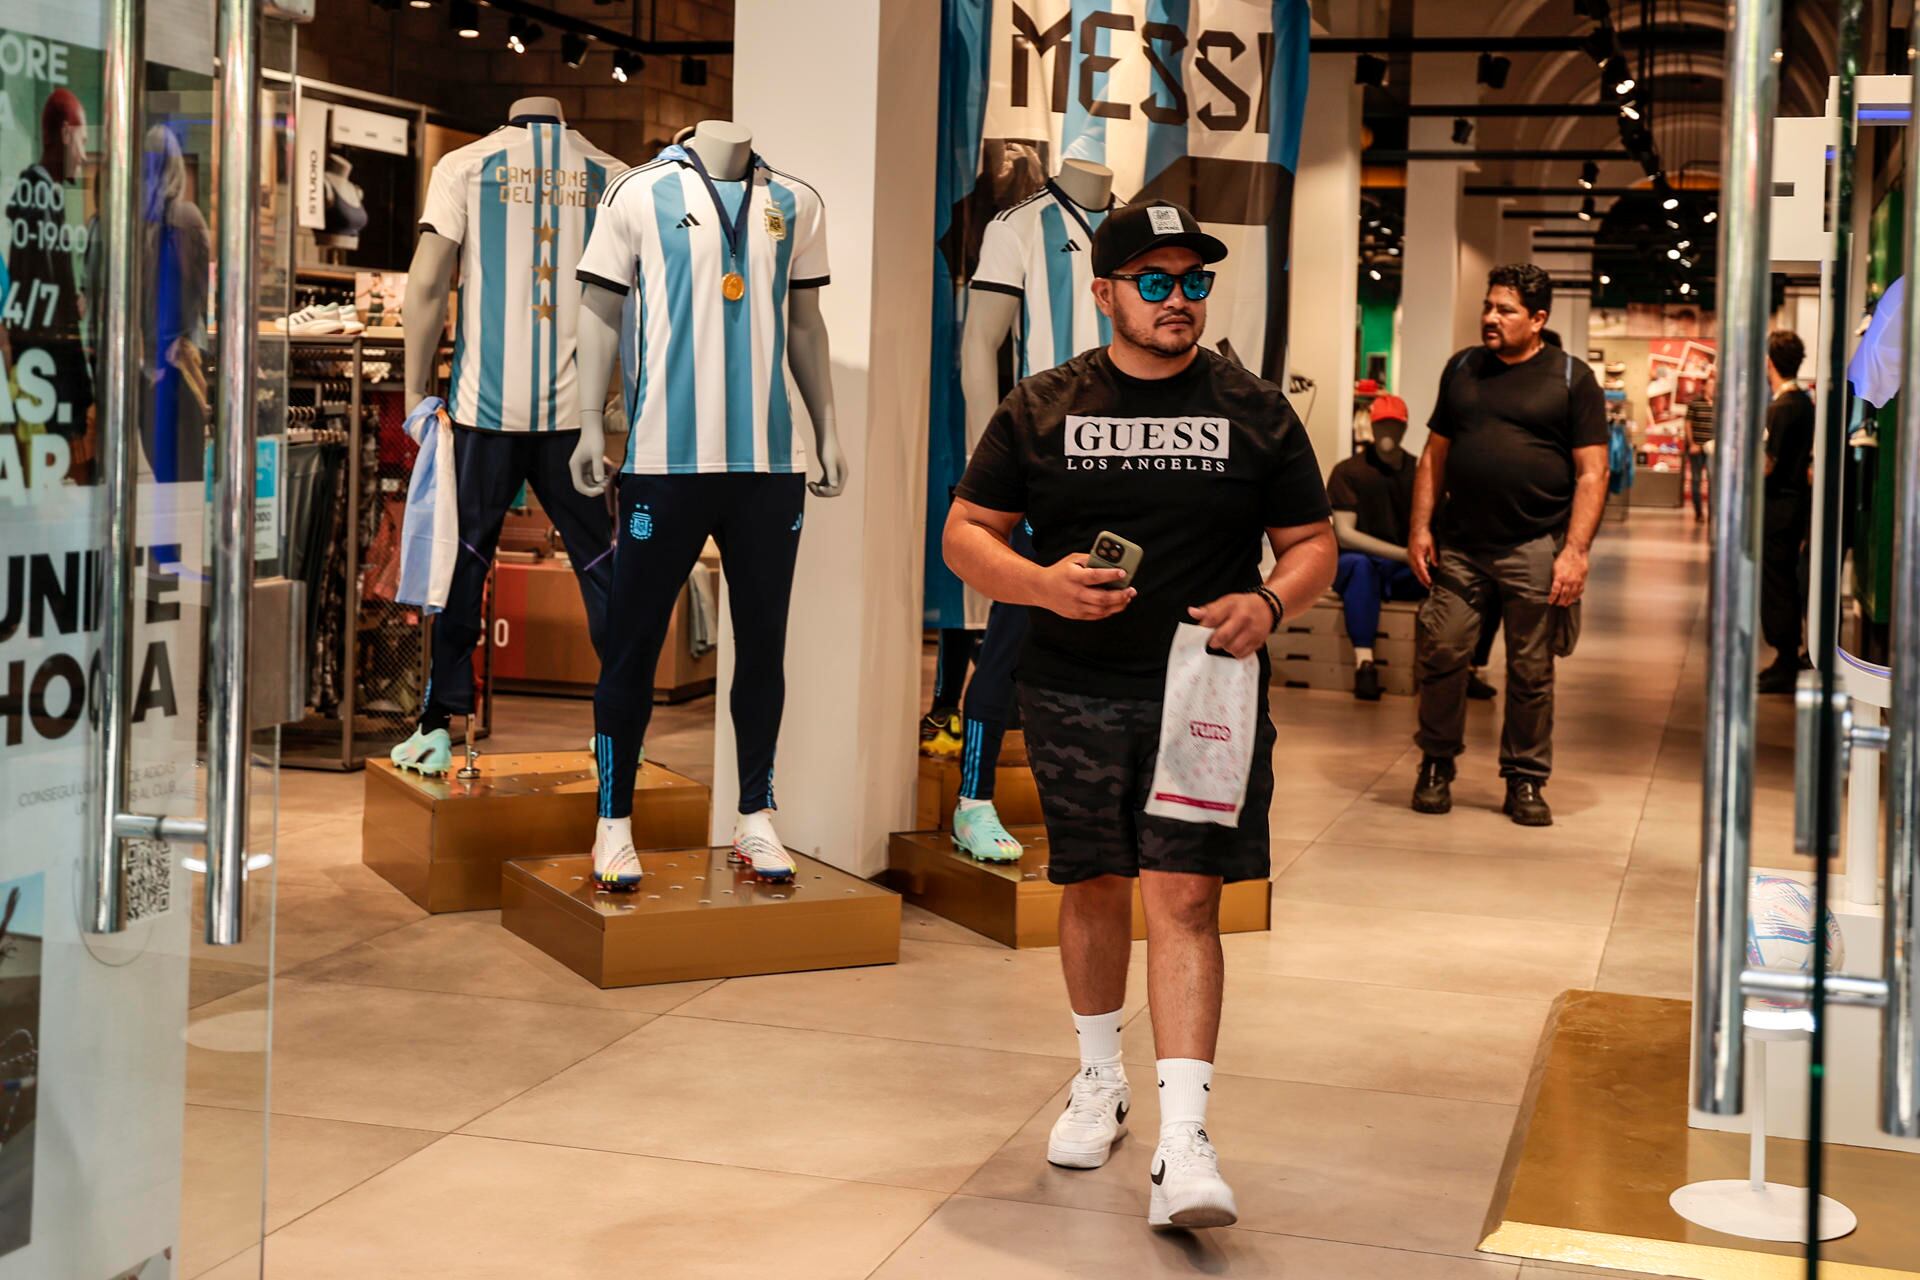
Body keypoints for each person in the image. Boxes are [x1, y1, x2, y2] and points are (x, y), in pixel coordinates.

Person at [944, 200, 1335, 1230]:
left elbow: (1311, 544)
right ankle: (1097, 1077)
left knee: (1187, 896)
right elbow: (964, 535)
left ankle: (1185, 1136)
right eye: (1154, 282)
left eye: (1193, 281)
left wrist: (1273, 599)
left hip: (1206, 693)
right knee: (1092, 883)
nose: (1178, 300)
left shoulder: (1254, 408)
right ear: (1105, 290)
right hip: (1074, 681)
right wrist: (1036, 583)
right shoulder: (1041, 405)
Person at [1407, 264, 1610, 826]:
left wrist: (1576, 551)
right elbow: (1434, 454)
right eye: (1489, 306)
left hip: (1534, 545)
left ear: (1538, 318)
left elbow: (1594, 473)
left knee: (1530, 670)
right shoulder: (1463, 368)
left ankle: (1524, 778)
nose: (1490, 318)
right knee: (1443, 653)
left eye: (1506, 310)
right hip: (1462, 546)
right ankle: (1435, 764)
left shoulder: (1572, 378)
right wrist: (1420, 527)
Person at [1328, 394, 1424, 700]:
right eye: (1382, 425)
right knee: (1359, 566)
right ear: (1371, 425)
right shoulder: (1349, 471)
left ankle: (1466, 665)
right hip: (1361, 565)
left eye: (1395, 427)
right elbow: (1345, 535)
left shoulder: (1419, 471)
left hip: (1400, 569)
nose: (1388, 434)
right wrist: (1404, 555)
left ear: (1405, 428)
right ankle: (1364, 663)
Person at [1759, 330, 1814, 694]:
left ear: (1770, 361)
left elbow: (1768, 463)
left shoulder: (1781, 408)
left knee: (1777, 582)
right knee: (1786, 580)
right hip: (1795, 505)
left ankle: (1785, 658)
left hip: (1779, 508)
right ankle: (1788, 655)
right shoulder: (1803, 403)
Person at [1684, 383, 1715, 522]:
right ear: (1705, 388)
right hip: (1697, 448)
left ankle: (1713, 514)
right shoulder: (1695, 403)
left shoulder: (1720, 404)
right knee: (1696, 480)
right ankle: (1699, 513)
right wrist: (1692, 443)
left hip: (1713, 450)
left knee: (1713, 481)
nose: (1713, 389)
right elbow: (1688, 424)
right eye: (1711, 386)